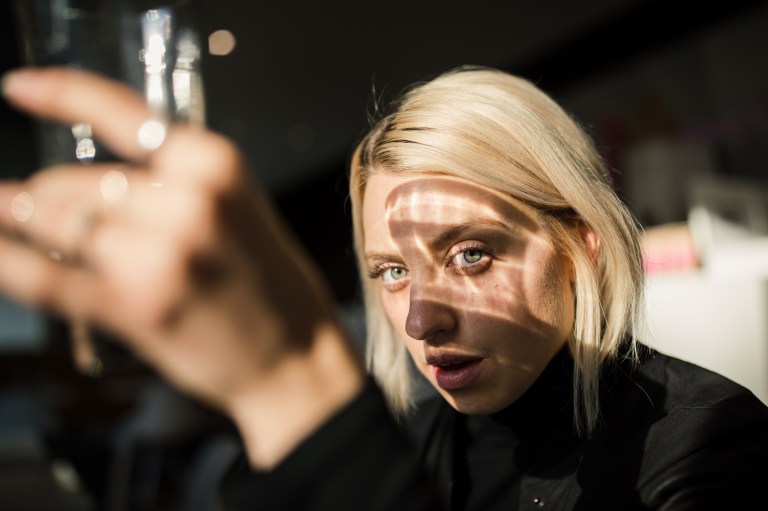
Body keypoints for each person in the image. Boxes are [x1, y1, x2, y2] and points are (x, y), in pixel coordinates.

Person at [1, 65, 767, 510]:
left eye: (471, 254)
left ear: (580, 248)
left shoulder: (712, 444)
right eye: (392, 271)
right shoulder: (422, 437)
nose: (423, 316)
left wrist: (293, 383)